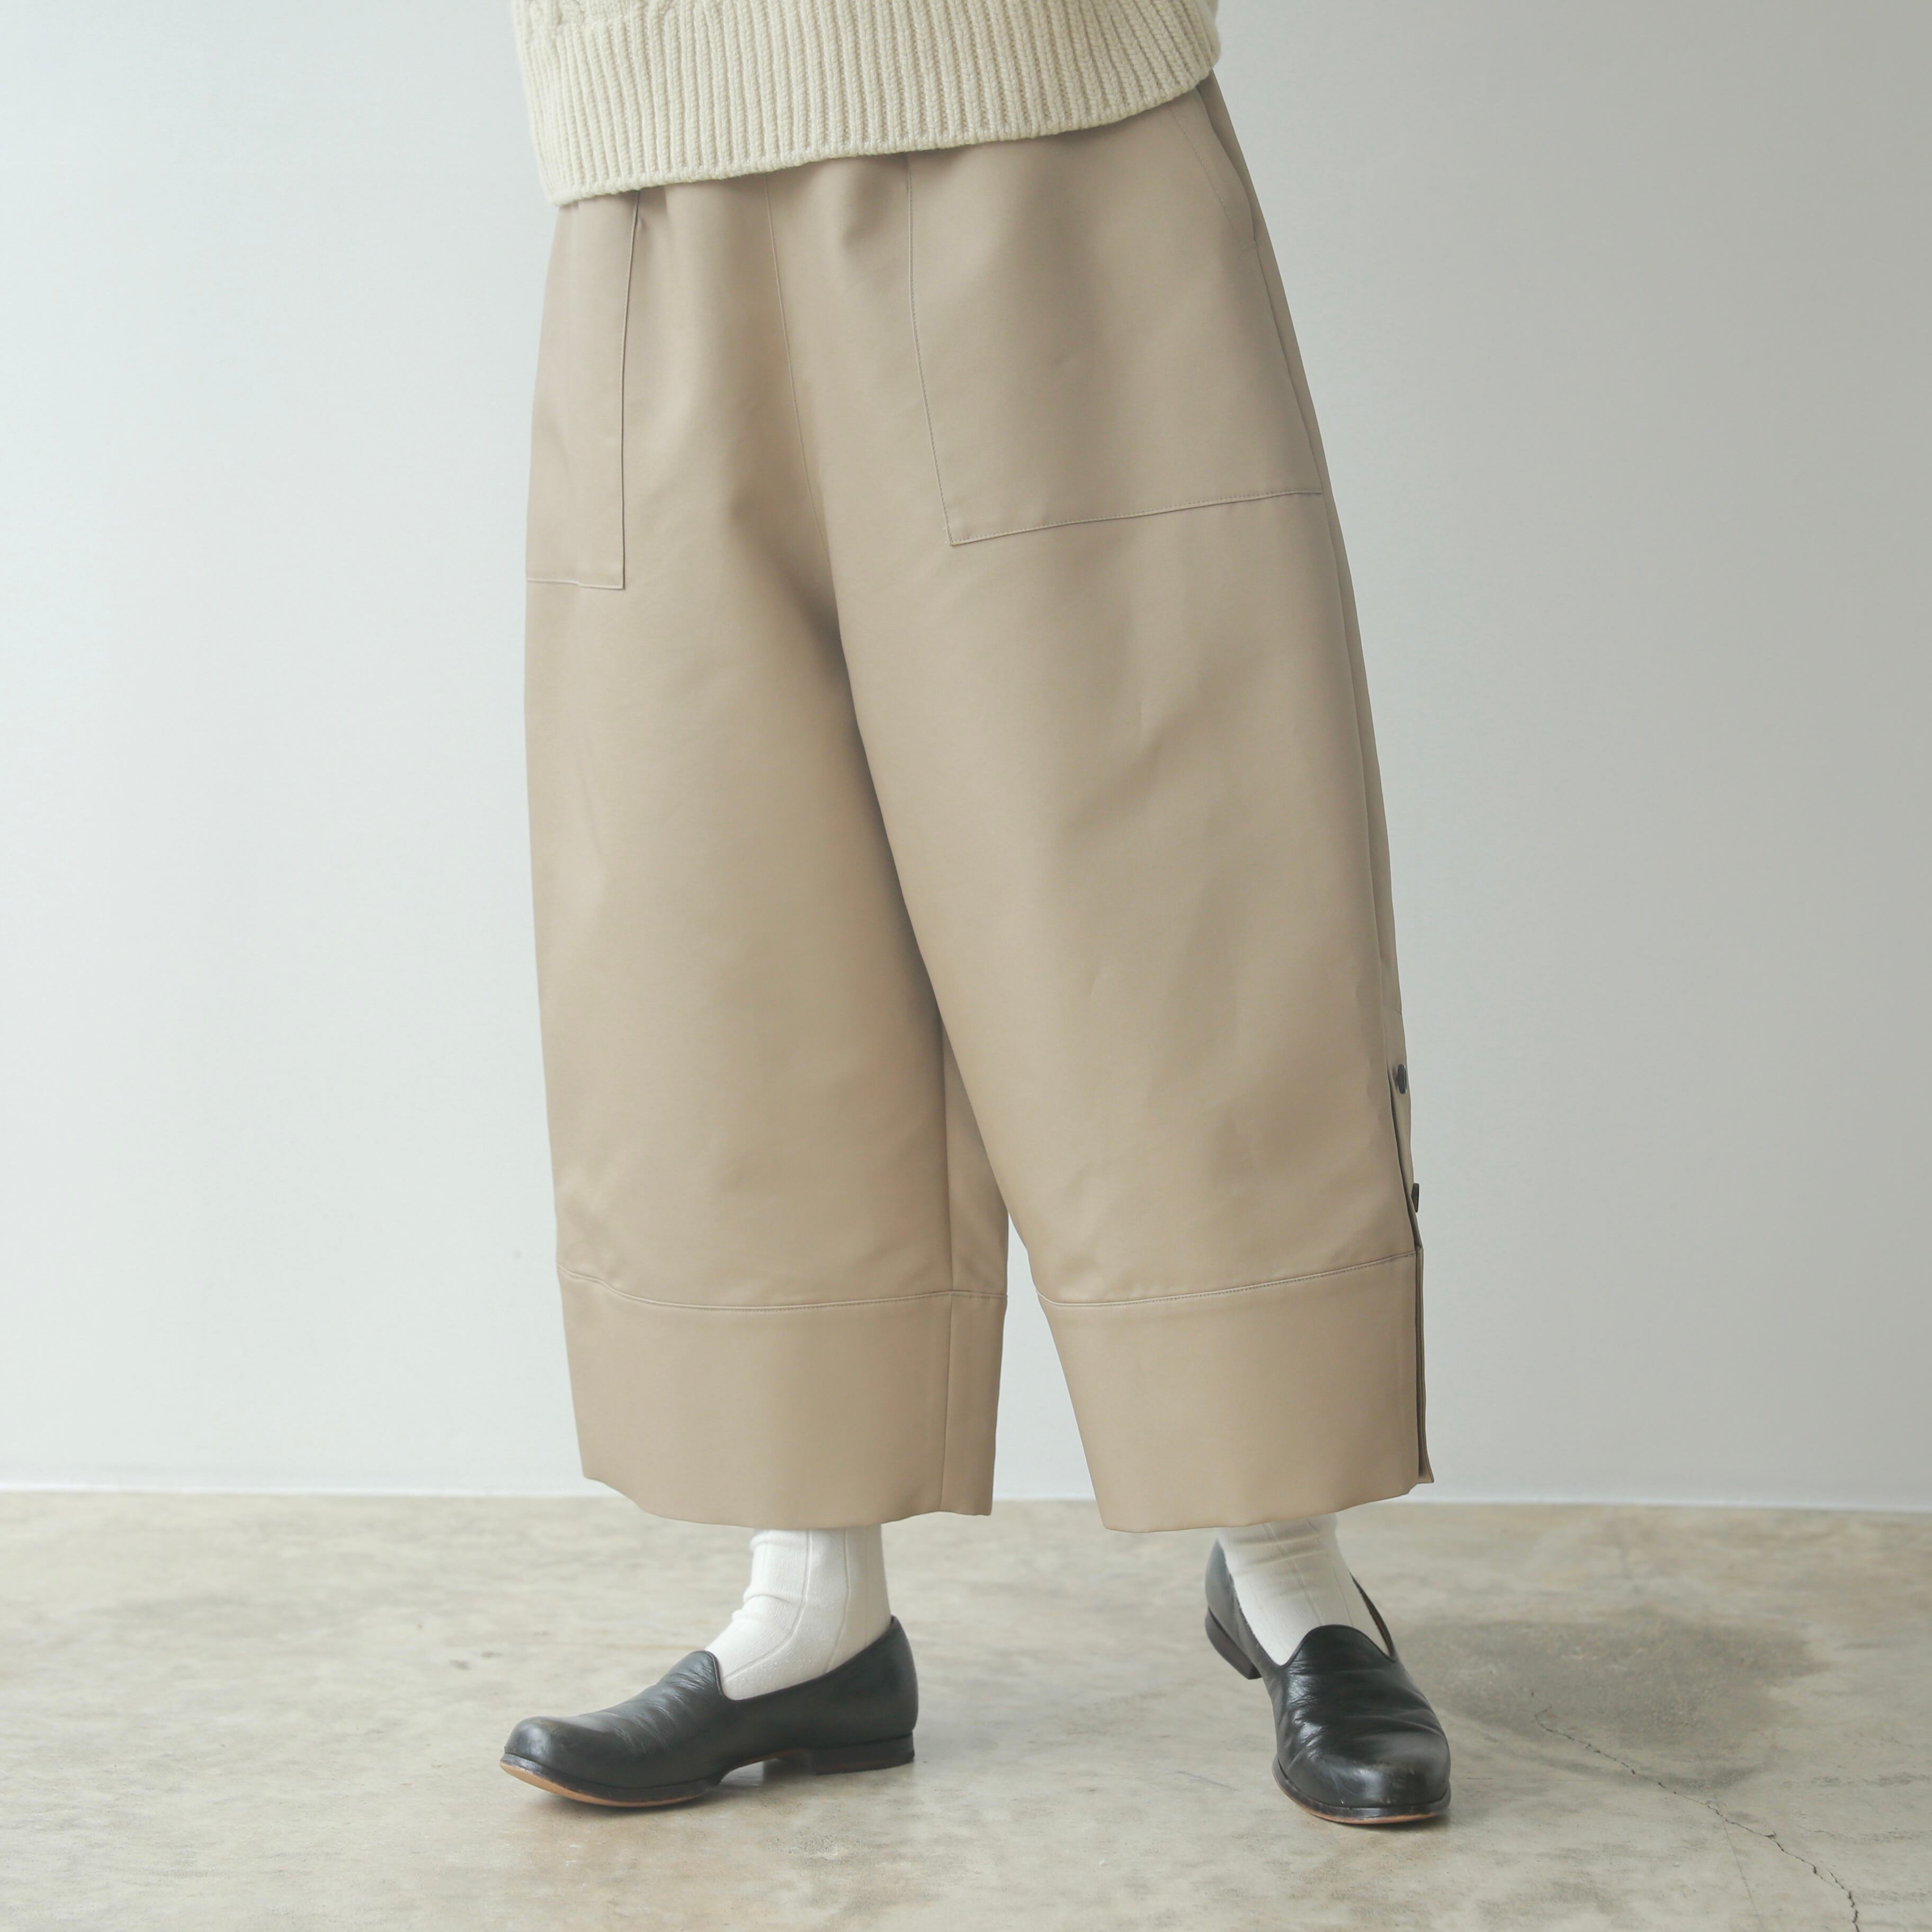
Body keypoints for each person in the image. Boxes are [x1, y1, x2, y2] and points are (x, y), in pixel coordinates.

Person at [498, 0, 1450, 1826]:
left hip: (1038, 110)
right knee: (723, 906)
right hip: (650, 139)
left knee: (1169, 877)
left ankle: (1291, 1569)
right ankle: (814, 1613)